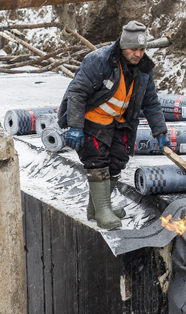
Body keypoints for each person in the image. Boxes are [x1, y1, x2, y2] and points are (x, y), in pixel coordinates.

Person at [57, 21, 169, 230]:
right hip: (92, 120)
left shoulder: (144, 69)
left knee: (117, 160)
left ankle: (98, 207)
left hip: (118, 121)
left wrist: (160, 130)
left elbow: (151, 101)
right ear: (122, 46)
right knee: (97, 161)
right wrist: (75, 126)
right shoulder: (100, 62)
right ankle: (103, 212)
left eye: (142, 49)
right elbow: (77, 93)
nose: (138, 54)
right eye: (133, 49)